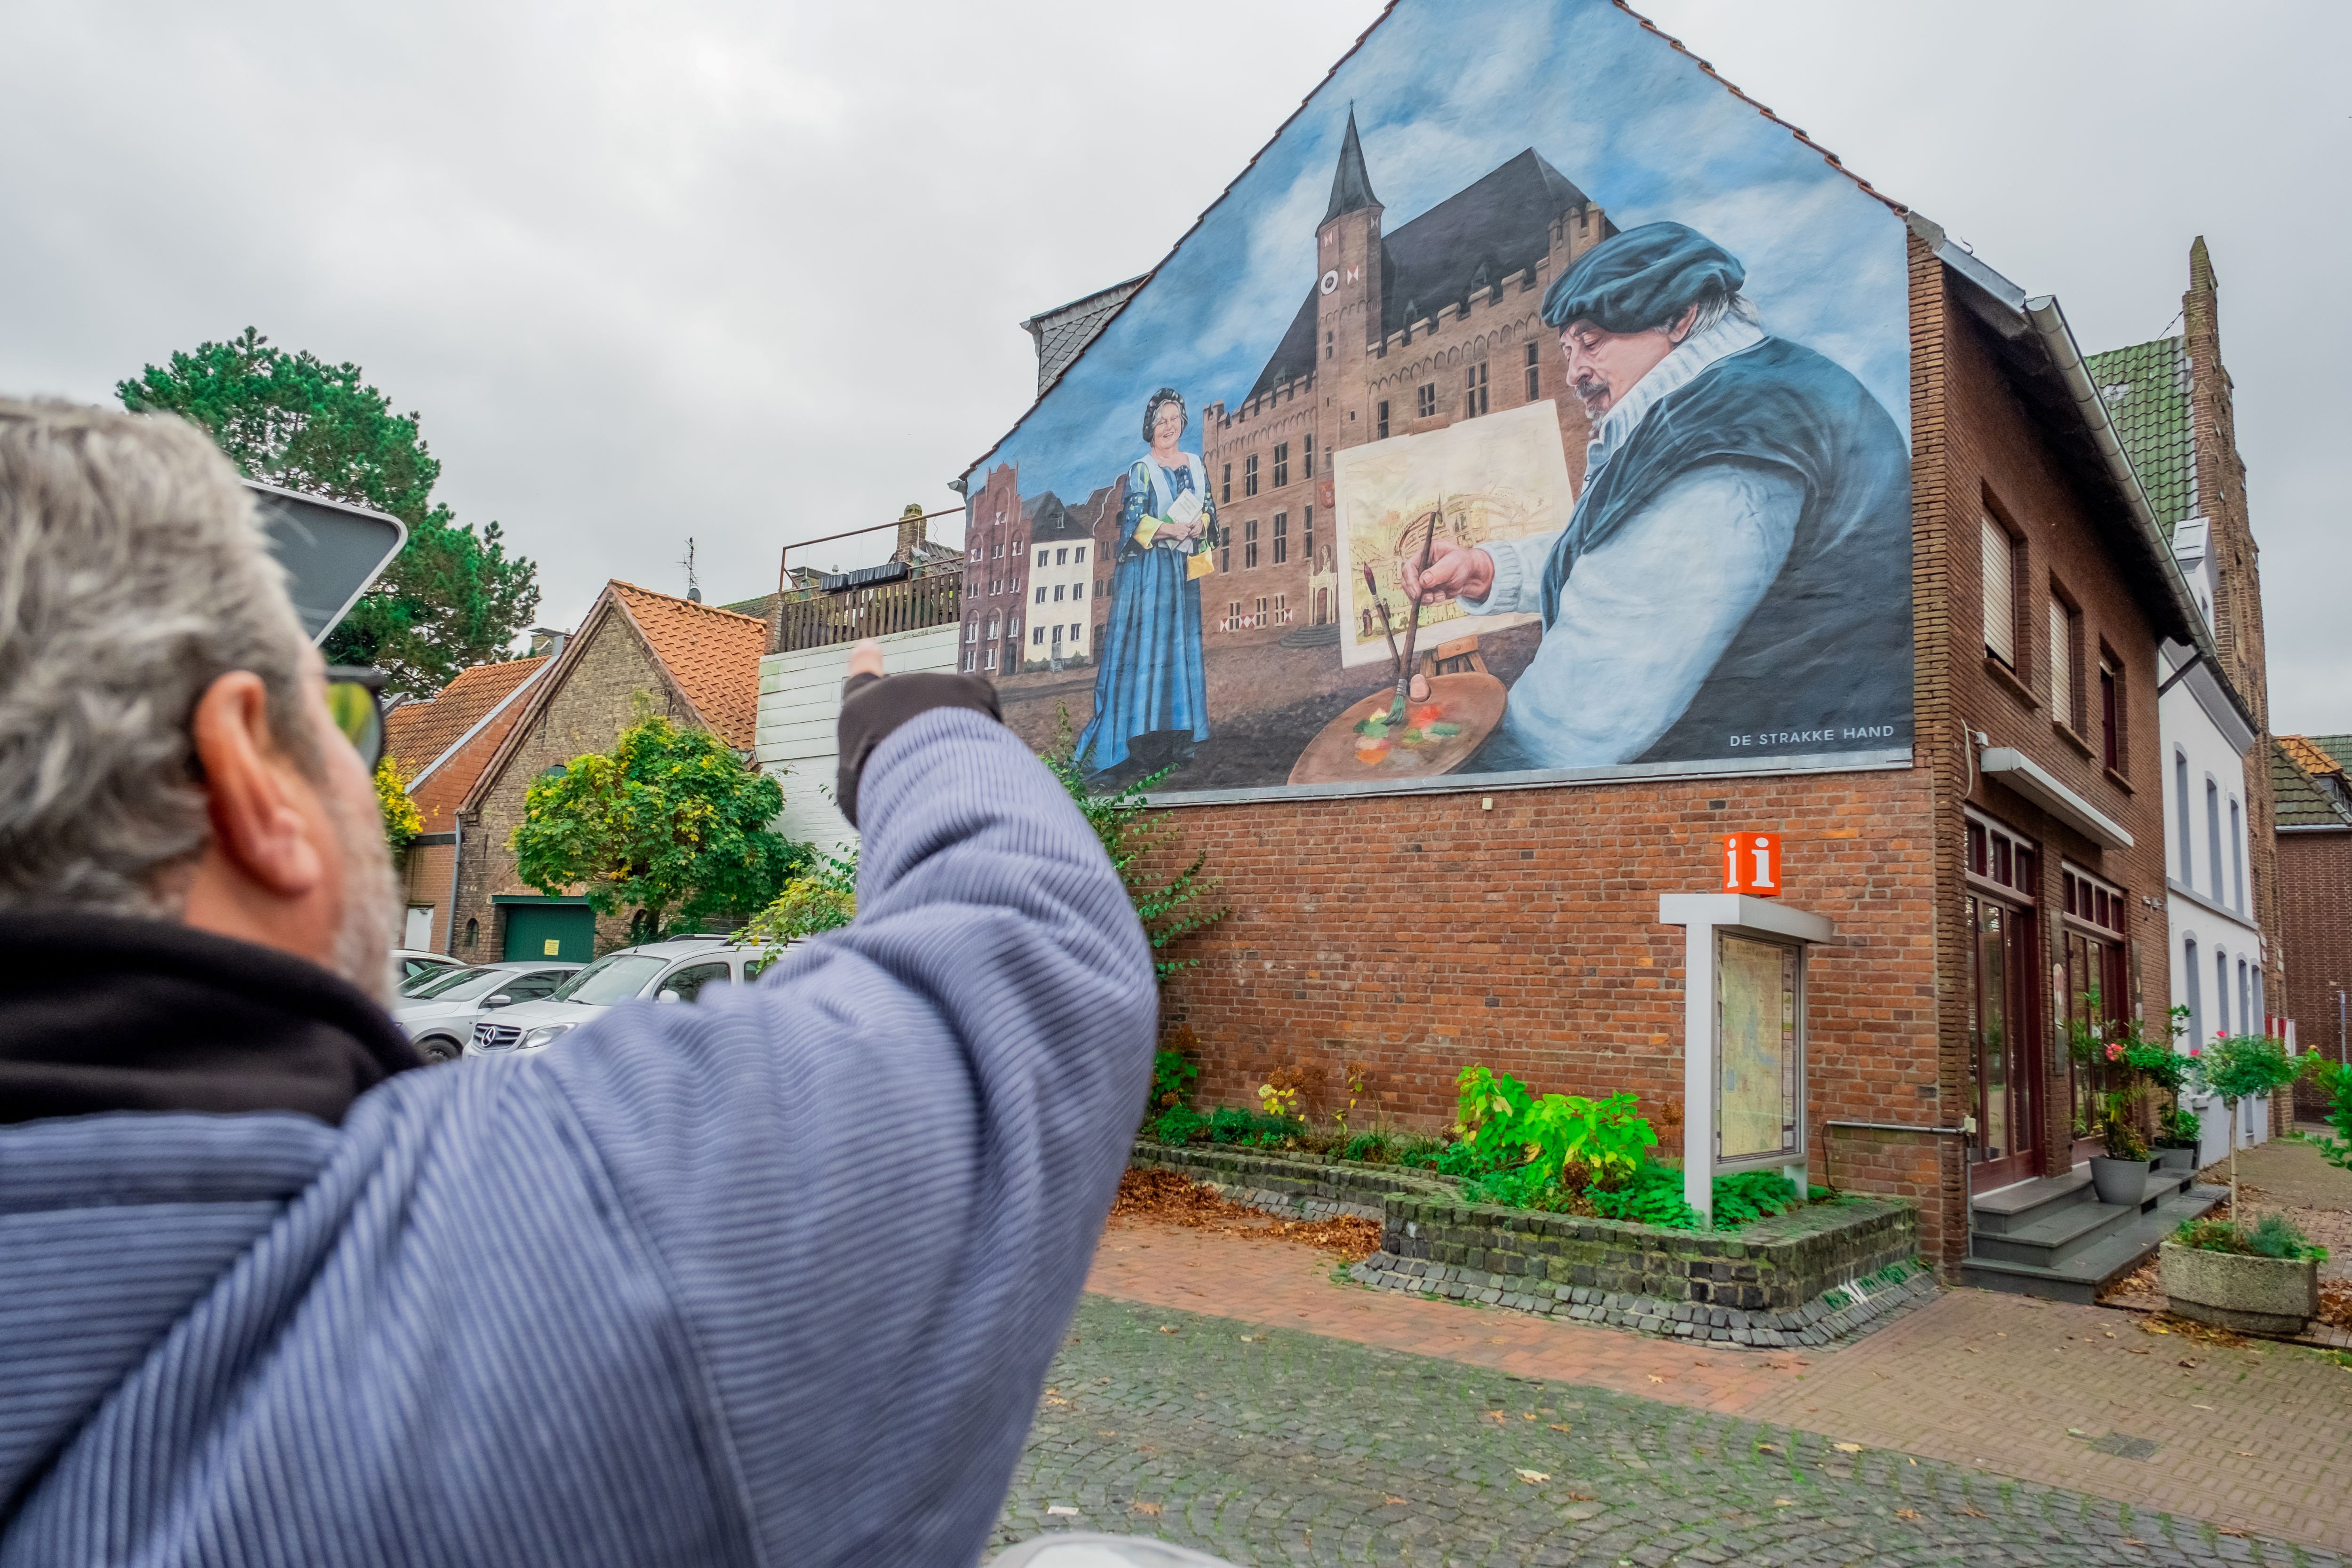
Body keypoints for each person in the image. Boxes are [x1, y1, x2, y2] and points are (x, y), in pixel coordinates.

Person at [0, 400, 1157, 1565]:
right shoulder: (556, 1257)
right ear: (249, 779)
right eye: (343, 722)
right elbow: (1031, 957)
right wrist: (914, 734)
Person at [1403, 221, 1912, 770]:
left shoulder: (1730, 430)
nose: (1574, 373)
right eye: (1567, 349)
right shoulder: (1727, 393)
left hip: (1769, 784)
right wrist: (1485, 569)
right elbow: (1617, 548)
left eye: (1591, 342)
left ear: (1679, 317)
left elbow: (1589, 707)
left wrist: (1438, 765)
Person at [1073, 387, 1212, 782]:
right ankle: (1147, 740)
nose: (1168, 426)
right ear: (1150, 428)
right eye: (1161, 420)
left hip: (1184, 572)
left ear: (1183, 422)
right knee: (1152, 650)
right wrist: (1169, 526)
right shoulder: (1142, 470)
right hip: (1152, 573)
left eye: (1174, 418)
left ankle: (1180, 736)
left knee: (1182, 649)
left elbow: (1211, 514)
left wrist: (1200, 524)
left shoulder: (1197, 465)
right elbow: (1132, 526)